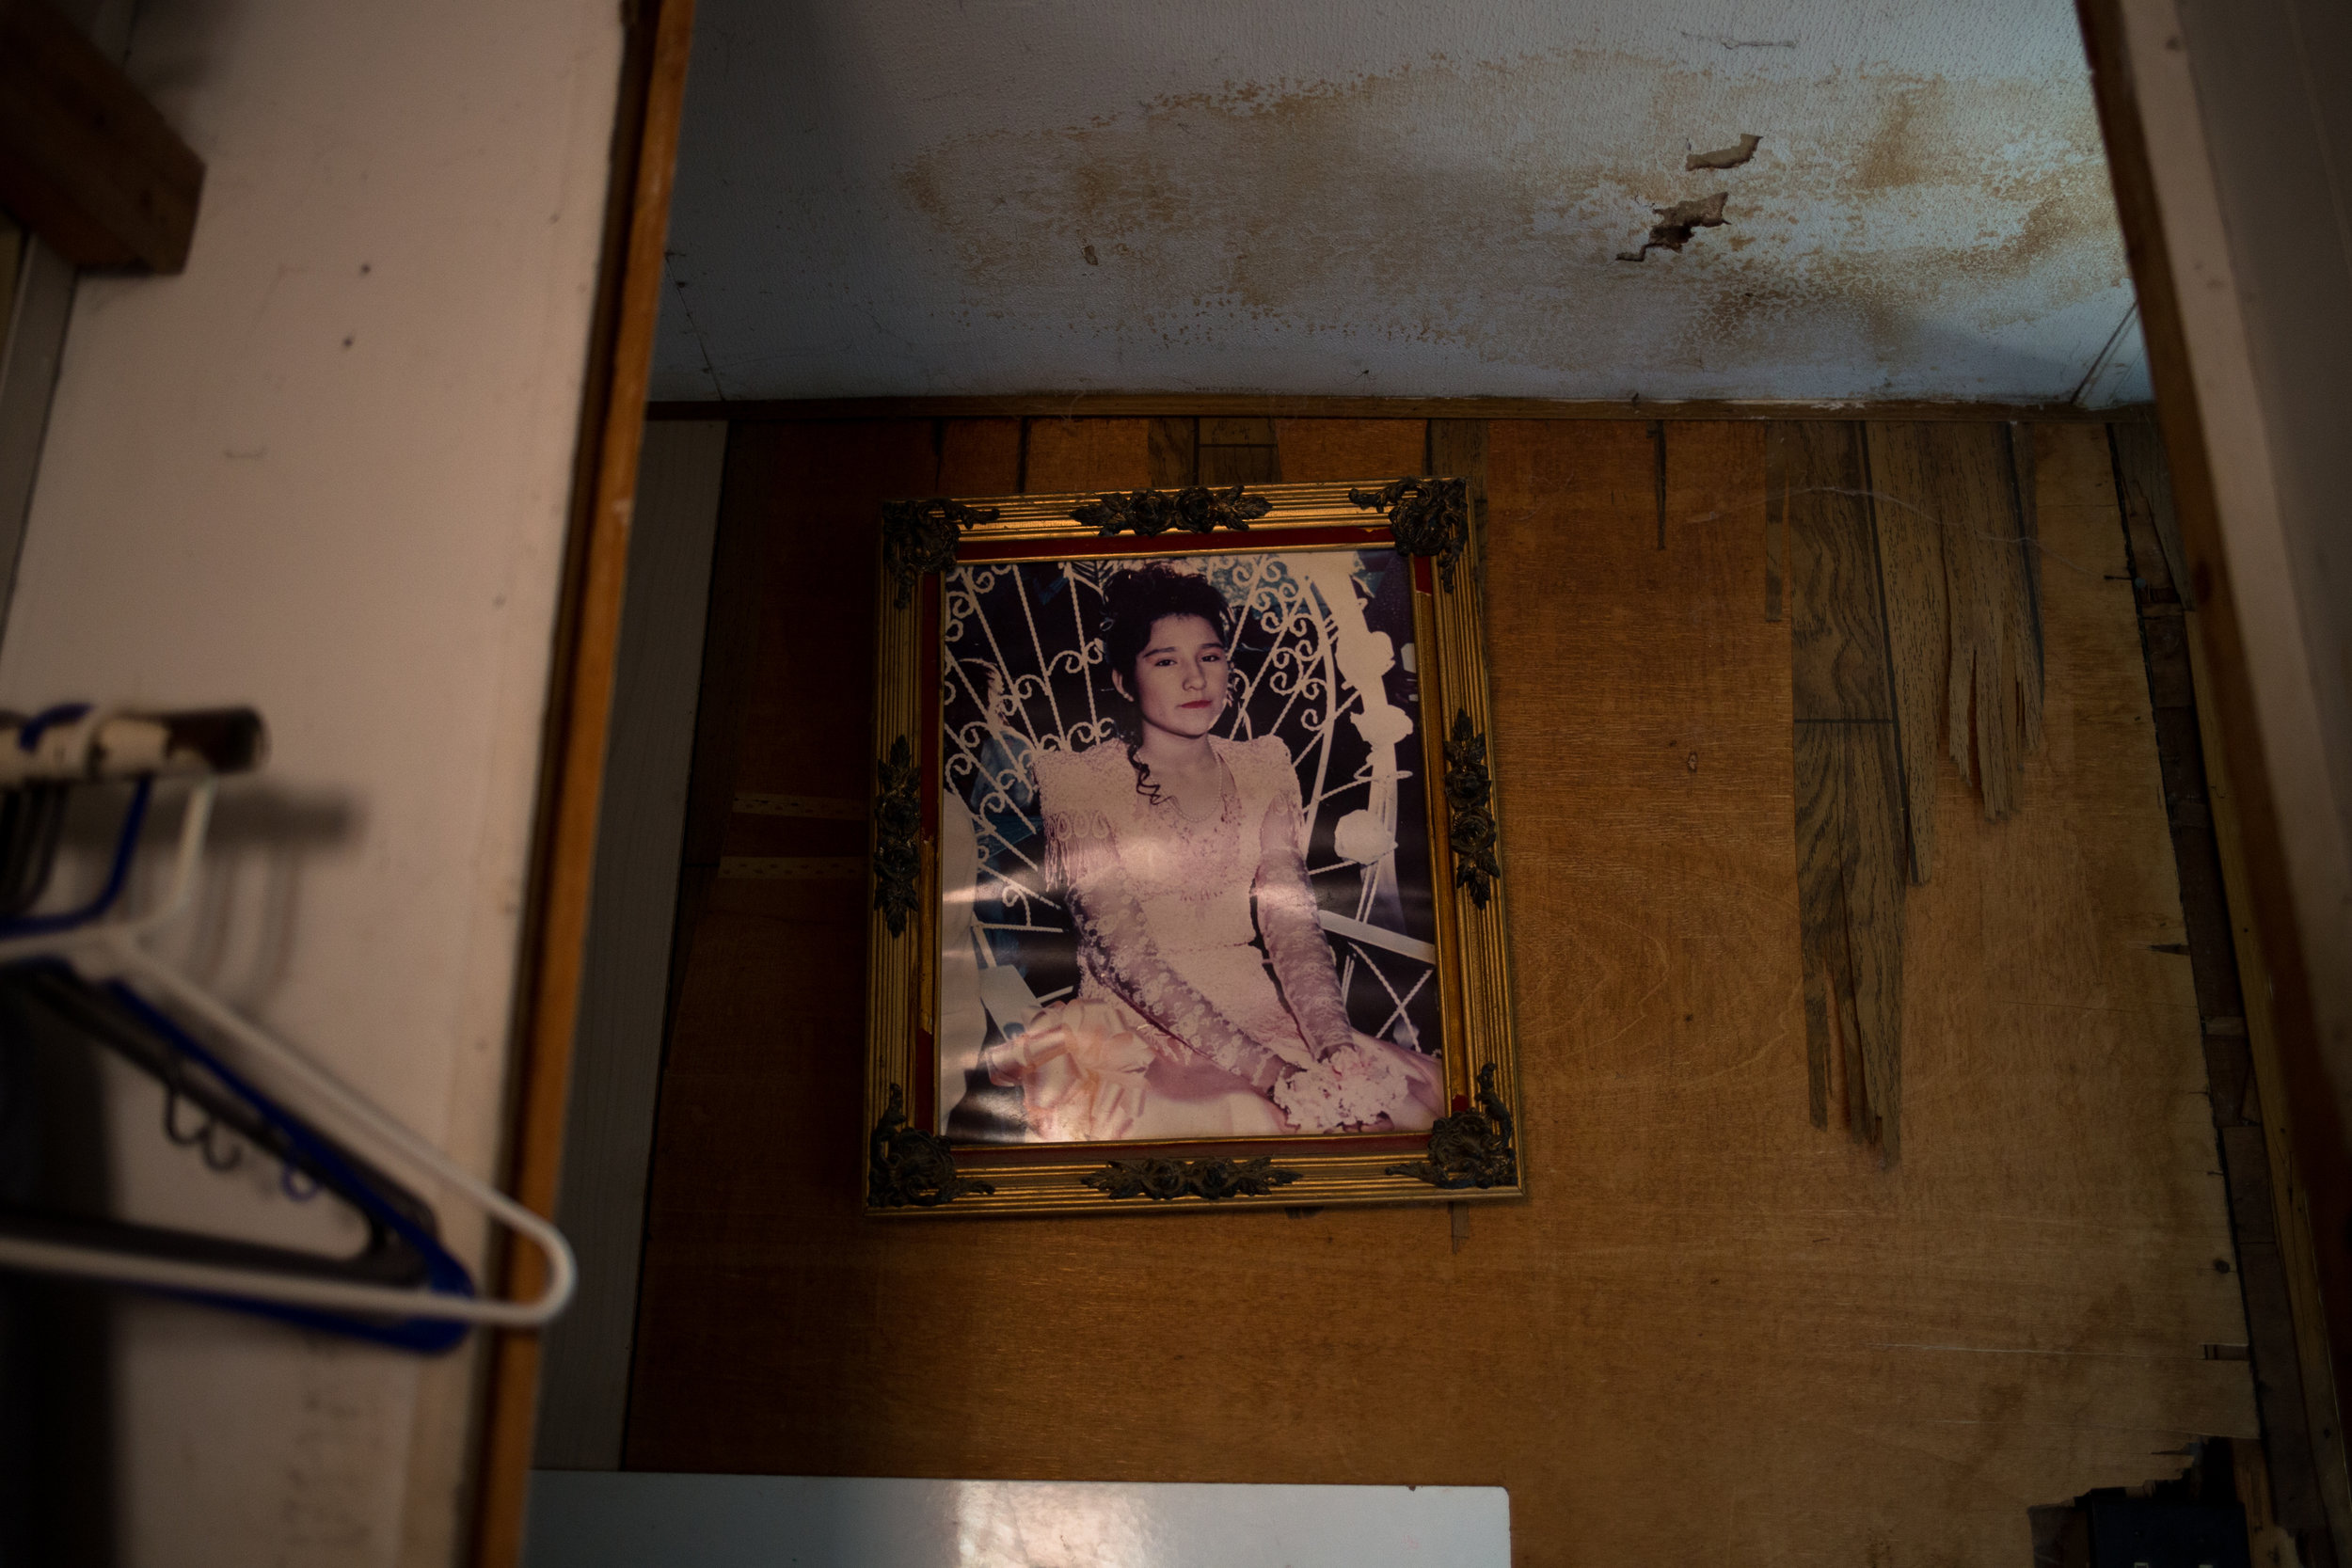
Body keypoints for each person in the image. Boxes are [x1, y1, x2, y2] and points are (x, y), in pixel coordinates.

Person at [979, 562, 1442, 1142]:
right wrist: (1273, 1074)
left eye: (1211, 656)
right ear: (1125, 680)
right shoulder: (1081, 784)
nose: (1195, 680)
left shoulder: (1261, 767)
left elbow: (1291, 925)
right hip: (1139, 1026)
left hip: (1264, 1009)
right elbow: (1129, 962)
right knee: (1247, 1120)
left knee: (1389, 1106)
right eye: (1165, 660)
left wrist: (1334, 1047)